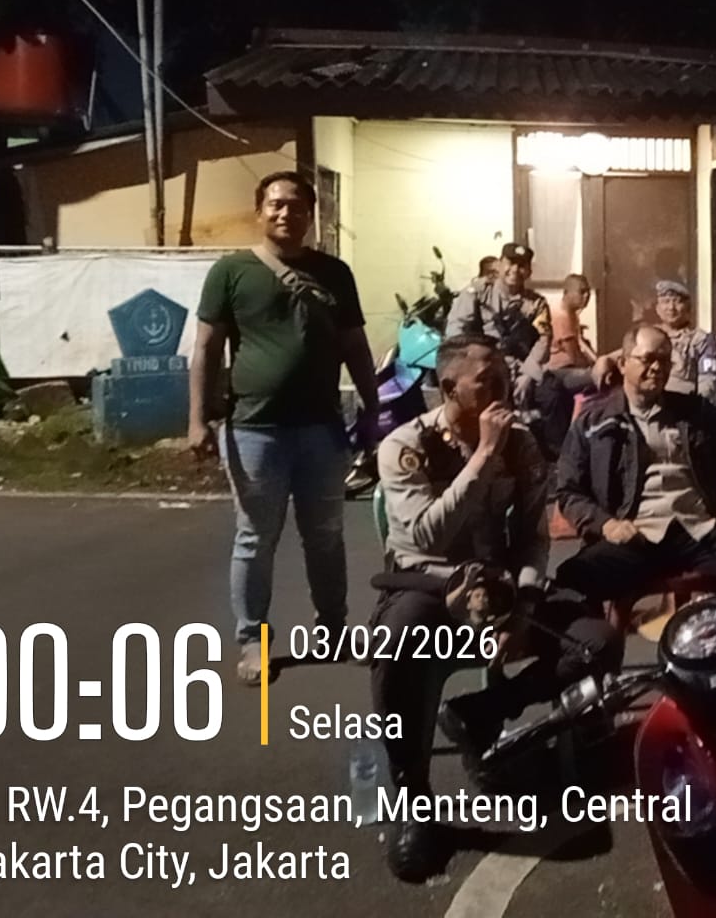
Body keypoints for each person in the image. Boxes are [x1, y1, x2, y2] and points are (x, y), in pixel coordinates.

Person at [371, 335, 620, 882]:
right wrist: (482, 455)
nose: (503, 391)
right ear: (449, 389)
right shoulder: (405, 446)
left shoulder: (521, 442)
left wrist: (526, 600)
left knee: (594, 641)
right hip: (431, 588)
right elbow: (427, 536)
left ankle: (481, 713)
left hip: (501, 589)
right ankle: (412, 801)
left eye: (506, 378)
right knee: (396, 646)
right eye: (486, 383)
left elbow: (533, 535)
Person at [188, 171, 378, 685]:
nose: (285, 213)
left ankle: (333, 627)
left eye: (296, 206)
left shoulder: (334, 273)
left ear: (310, 215)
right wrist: (197, 419)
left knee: (326, 534)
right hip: (254, 428)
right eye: (275, 204)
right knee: (255, 538)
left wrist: (372, 406)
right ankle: (252, 640)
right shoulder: (231, 272)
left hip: (322, 428)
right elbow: (206, 348)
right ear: (259, 211)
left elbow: (355, 346)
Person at [554, 325, 716, 603]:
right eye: (648, 359)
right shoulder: (593, 423)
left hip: (700, 531)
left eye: (664, 361)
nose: (657, 368)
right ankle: (598, 633)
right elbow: (569, 492)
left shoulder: (697, 413)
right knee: (571, 580)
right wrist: (607, 525)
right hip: (635, 537)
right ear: (623, 363)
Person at [445, 242, 552, 385]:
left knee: (552, 392)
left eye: (521, 265)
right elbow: (456, 330)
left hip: (519, 370)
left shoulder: (536, 303)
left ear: (529, 271)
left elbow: (543, 338)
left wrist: (528, 374)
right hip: (480, 369)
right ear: (499, 264)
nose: (515, 270)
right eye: (511, 263)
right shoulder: (478, 293)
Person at [520, 273, 600, 453]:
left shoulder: (572, 315)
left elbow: (581, 343)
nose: (586, 297)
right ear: (567, 293)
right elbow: (574, 355)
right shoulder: (561, 316)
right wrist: (594, 368)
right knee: (596, 378)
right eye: (581, 292)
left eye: (588, 292)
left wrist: (597, 360)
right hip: (559, 370)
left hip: (571, 369)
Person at [654, 280, 716, 400]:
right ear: (657, 308)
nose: (671, 308)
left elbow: (709, 379)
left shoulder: (701, 340)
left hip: (684, 401)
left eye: (677, 302)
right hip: (652, 399)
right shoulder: (649, 336)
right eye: (666, 301)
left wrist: (701, 404)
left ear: (688, 308)